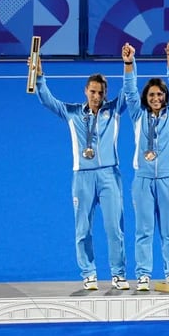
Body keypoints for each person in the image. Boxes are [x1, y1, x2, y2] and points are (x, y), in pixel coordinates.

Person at [32, 47, 131, 291]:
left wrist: (129, 65)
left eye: (101, 92)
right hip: (82, 177)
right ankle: (89, 273)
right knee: (83, 228)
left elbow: (130, 92)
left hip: (110, 176)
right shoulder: (73, 112)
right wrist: (39, 76)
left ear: (106, 93)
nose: (96, 96)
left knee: (114, 228)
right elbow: (47, 100)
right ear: (86, 91)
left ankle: (118, 274)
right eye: (93, 91)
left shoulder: (114, 111)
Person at [125, 40, 169, 291]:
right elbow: (129, 91)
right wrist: (129, 63)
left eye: (160, 94)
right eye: (151, 95)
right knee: (143, 230)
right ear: (146, 97)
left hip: (168, 179)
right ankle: (143, 275)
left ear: (165, 97)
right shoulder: (137, 115)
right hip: (142, 180)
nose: (156, 98)